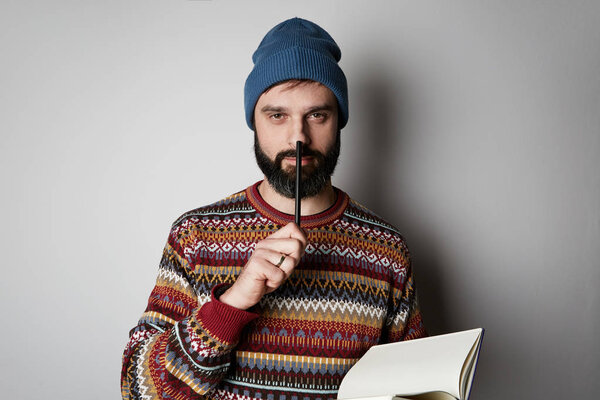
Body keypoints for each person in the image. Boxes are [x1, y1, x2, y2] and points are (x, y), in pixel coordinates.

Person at [121, 17, 426, 400]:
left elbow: (415, 389)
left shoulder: (387, 249)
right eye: (277, 115)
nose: (298, 136)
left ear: (339, 122)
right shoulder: (195, 236)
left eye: (317, 115)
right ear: (254, 122)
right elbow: (138, 390)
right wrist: (232, 304)